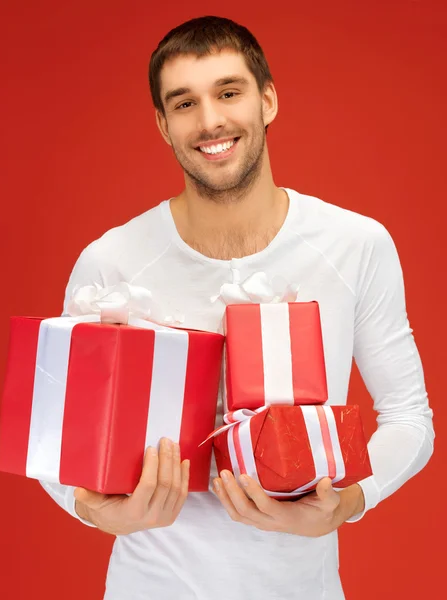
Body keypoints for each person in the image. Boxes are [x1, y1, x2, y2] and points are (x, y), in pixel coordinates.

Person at [40, 15, 434, 600]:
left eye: (229, 92)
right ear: (162, 125)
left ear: (267, 100)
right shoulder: (113, 262)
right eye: (184, 103)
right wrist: (94, 510)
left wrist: (346, 505)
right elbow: (51, 439)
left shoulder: (356, 246)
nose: (210, 121)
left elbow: (409, 417)